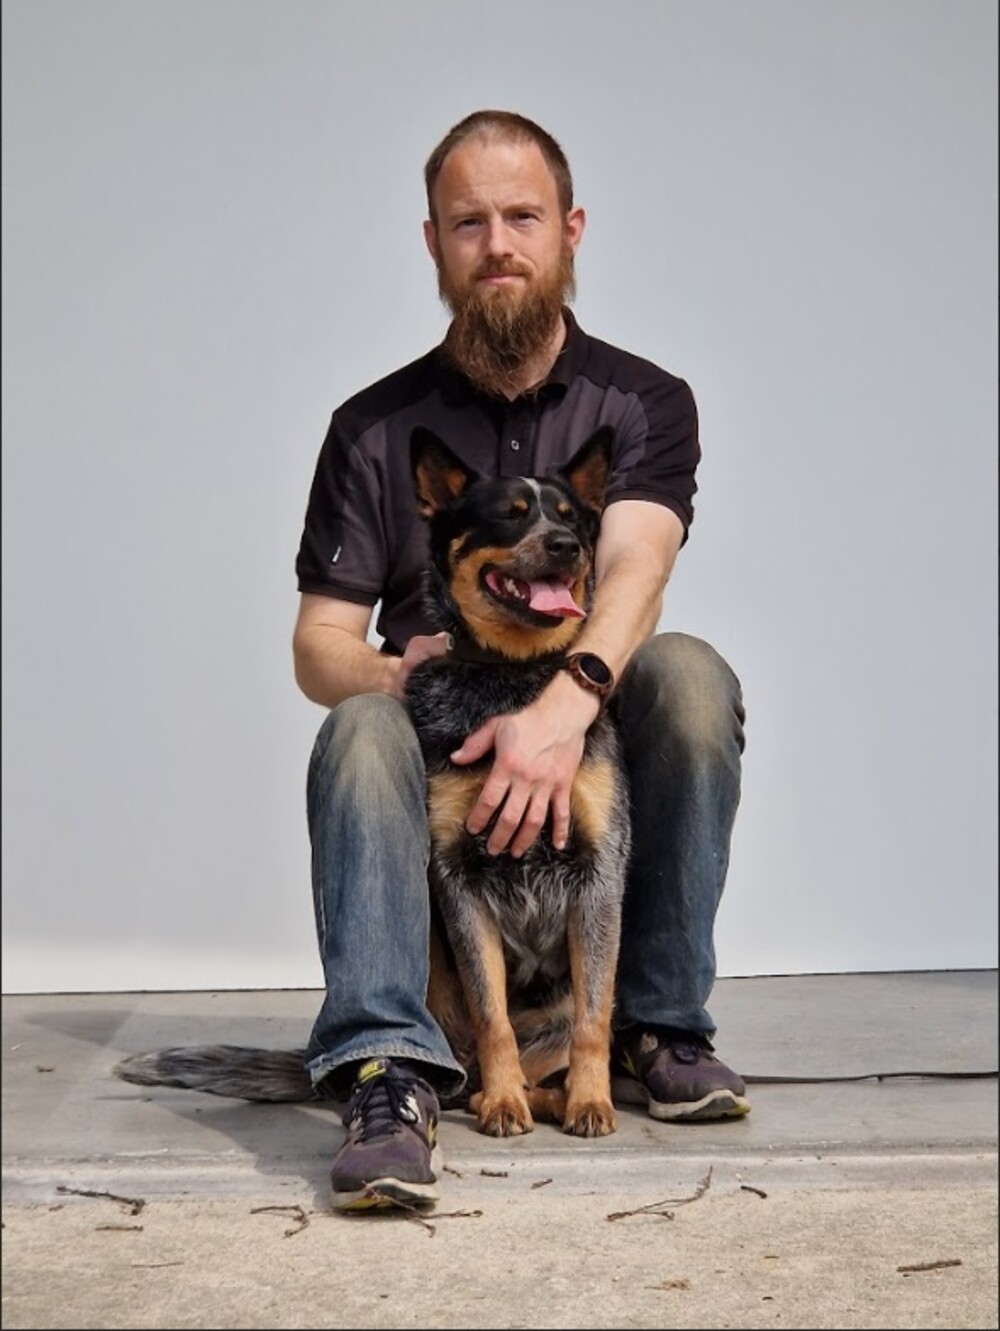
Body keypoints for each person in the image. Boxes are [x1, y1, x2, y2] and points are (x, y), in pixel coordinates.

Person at [293, 109, 748, 1212]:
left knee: (688, 675)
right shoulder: (372, 427)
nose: (497, 243)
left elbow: (637, 563)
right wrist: (393, 674)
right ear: (434, 243)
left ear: (570, 230)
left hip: (585, 695)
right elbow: (317, 644)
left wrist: (566, 703)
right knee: (357, 723)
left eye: (522, 217)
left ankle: (657, 1029)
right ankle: (388, 1063)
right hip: (446, 720)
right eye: (469, 222)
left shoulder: (641, 400)